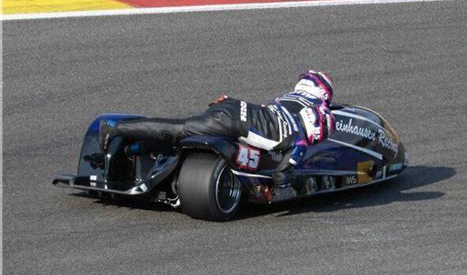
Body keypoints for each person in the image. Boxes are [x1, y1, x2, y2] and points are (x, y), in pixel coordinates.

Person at [99, 70, 335, 198]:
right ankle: (116, 128)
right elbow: (281, 178)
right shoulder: (300, 142)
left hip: (234, 107)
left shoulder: (288, 104)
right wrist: (292, 186)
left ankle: (133, 148)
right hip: (230, 122)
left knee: (182, 136)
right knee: (177, 131)